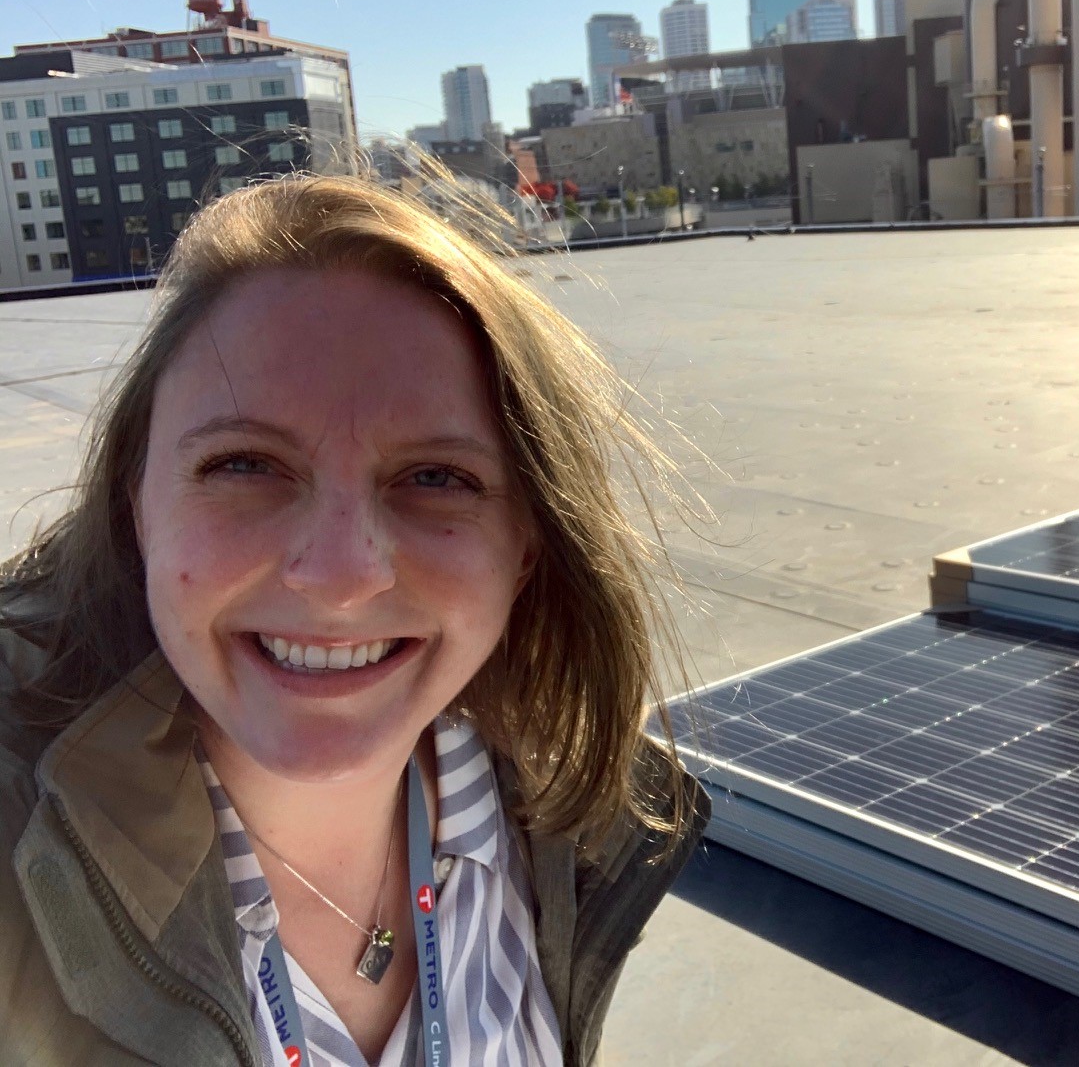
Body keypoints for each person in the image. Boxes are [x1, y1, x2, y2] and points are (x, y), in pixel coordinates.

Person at [0, 172, 709, 1066]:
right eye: (245, 464)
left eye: (436, 479)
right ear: (135, 504)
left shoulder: (560, 826)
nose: (339, 577)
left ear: (527, 542)